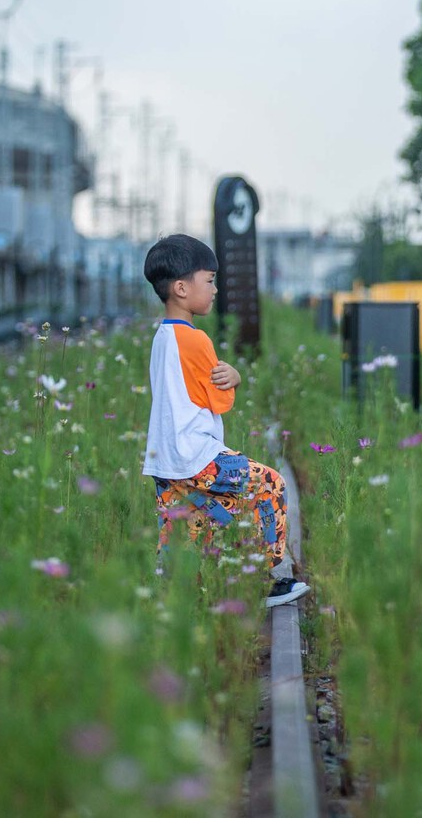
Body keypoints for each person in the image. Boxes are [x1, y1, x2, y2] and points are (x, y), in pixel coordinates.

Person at [142, 234, 309, 609]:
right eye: (210, 280)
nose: (215, 290)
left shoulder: (161, 338)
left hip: (164, 459)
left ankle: (175, 598)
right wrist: (235, 377)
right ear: (182, 288)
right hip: (197, 455)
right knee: (270, 485)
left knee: (188, 522)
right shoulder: (196, 340)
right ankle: (262, 582)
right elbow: (219, 400)